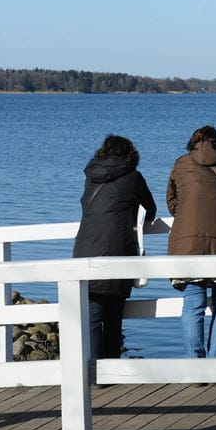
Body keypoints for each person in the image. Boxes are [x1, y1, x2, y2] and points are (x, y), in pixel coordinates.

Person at [73, 135, 157, 360]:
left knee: (92, 314)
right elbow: (150, 210)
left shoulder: (91, 178)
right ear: (130, 154)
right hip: (118, 251)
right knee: (113, 316)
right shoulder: (133, 177)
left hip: (85, 250)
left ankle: (90, 369)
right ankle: (109, 368)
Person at [167, 125, 216, 358]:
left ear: (192, 143)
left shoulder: (181, 165)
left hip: (188, 246)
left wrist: (187, 218)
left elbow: (172, 202)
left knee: (193, 304)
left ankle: (196, 365)